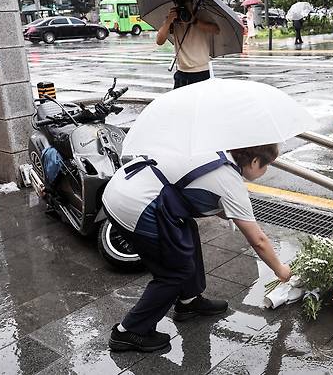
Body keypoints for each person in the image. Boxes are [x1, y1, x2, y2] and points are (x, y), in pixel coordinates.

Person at [104, 144, 292, 352]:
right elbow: (259, 241)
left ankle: (189, 301)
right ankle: (128, 332)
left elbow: (201, 193)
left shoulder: (214, 149)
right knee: (174, 271)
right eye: (266, 166)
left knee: (187, 229)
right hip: (134, 204)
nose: (266, 172)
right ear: (255, 161)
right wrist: (280, 270)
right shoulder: (229, 180)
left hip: (123, 187)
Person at [156, 0, 220, 89]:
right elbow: (159, 41)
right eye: (178, 2)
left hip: (201, 71)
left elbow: (216, 30)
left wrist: (194, 21)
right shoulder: (173, 18)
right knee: (180, 104)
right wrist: (169, 20)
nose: (182, 5)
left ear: (192, 1)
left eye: (185, 1)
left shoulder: (202, 14)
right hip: (182, 72)